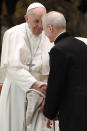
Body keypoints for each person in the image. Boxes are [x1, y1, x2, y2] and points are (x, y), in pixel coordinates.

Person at [0, 2, 54, 131]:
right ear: (26, 18)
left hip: (41, 94)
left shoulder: (49, 35)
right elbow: (12, 66)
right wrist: (33, 84)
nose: (41, 26)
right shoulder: (13, 33)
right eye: (36, 21)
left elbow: (53, 68)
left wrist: (50, 94)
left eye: (43, 21)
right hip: (17, 90)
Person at [42, 11, 87, 131]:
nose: (45, 34)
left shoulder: (58, 50)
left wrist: (49, 113)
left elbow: (56, 84)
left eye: (44, 29)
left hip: (73, 111)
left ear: (50, 28)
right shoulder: (82, 45)